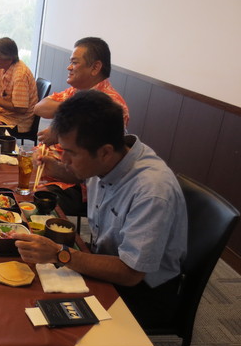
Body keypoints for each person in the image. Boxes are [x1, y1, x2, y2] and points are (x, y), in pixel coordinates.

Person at [14, 90, 187, 328]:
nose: (65, 160)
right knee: (21, 276)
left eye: (71, 153)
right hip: (103, 256)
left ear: (105, 152)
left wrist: (58, 254)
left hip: (142, 291)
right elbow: (81, 175)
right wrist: (56, 167)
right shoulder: (112, 156)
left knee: (35, 316)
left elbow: (131, 273)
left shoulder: (151, 191)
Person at [34, 37, 130, 215]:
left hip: (76, 184)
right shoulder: (76, 92)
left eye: (74, 62)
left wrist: (60, 130)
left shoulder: (111, 105)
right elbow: (39, 107)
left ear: (95, 67)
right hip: (49, 164)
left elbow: (96, 167)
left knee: (26, 203)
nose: (68, 67)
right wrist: (74, 107)